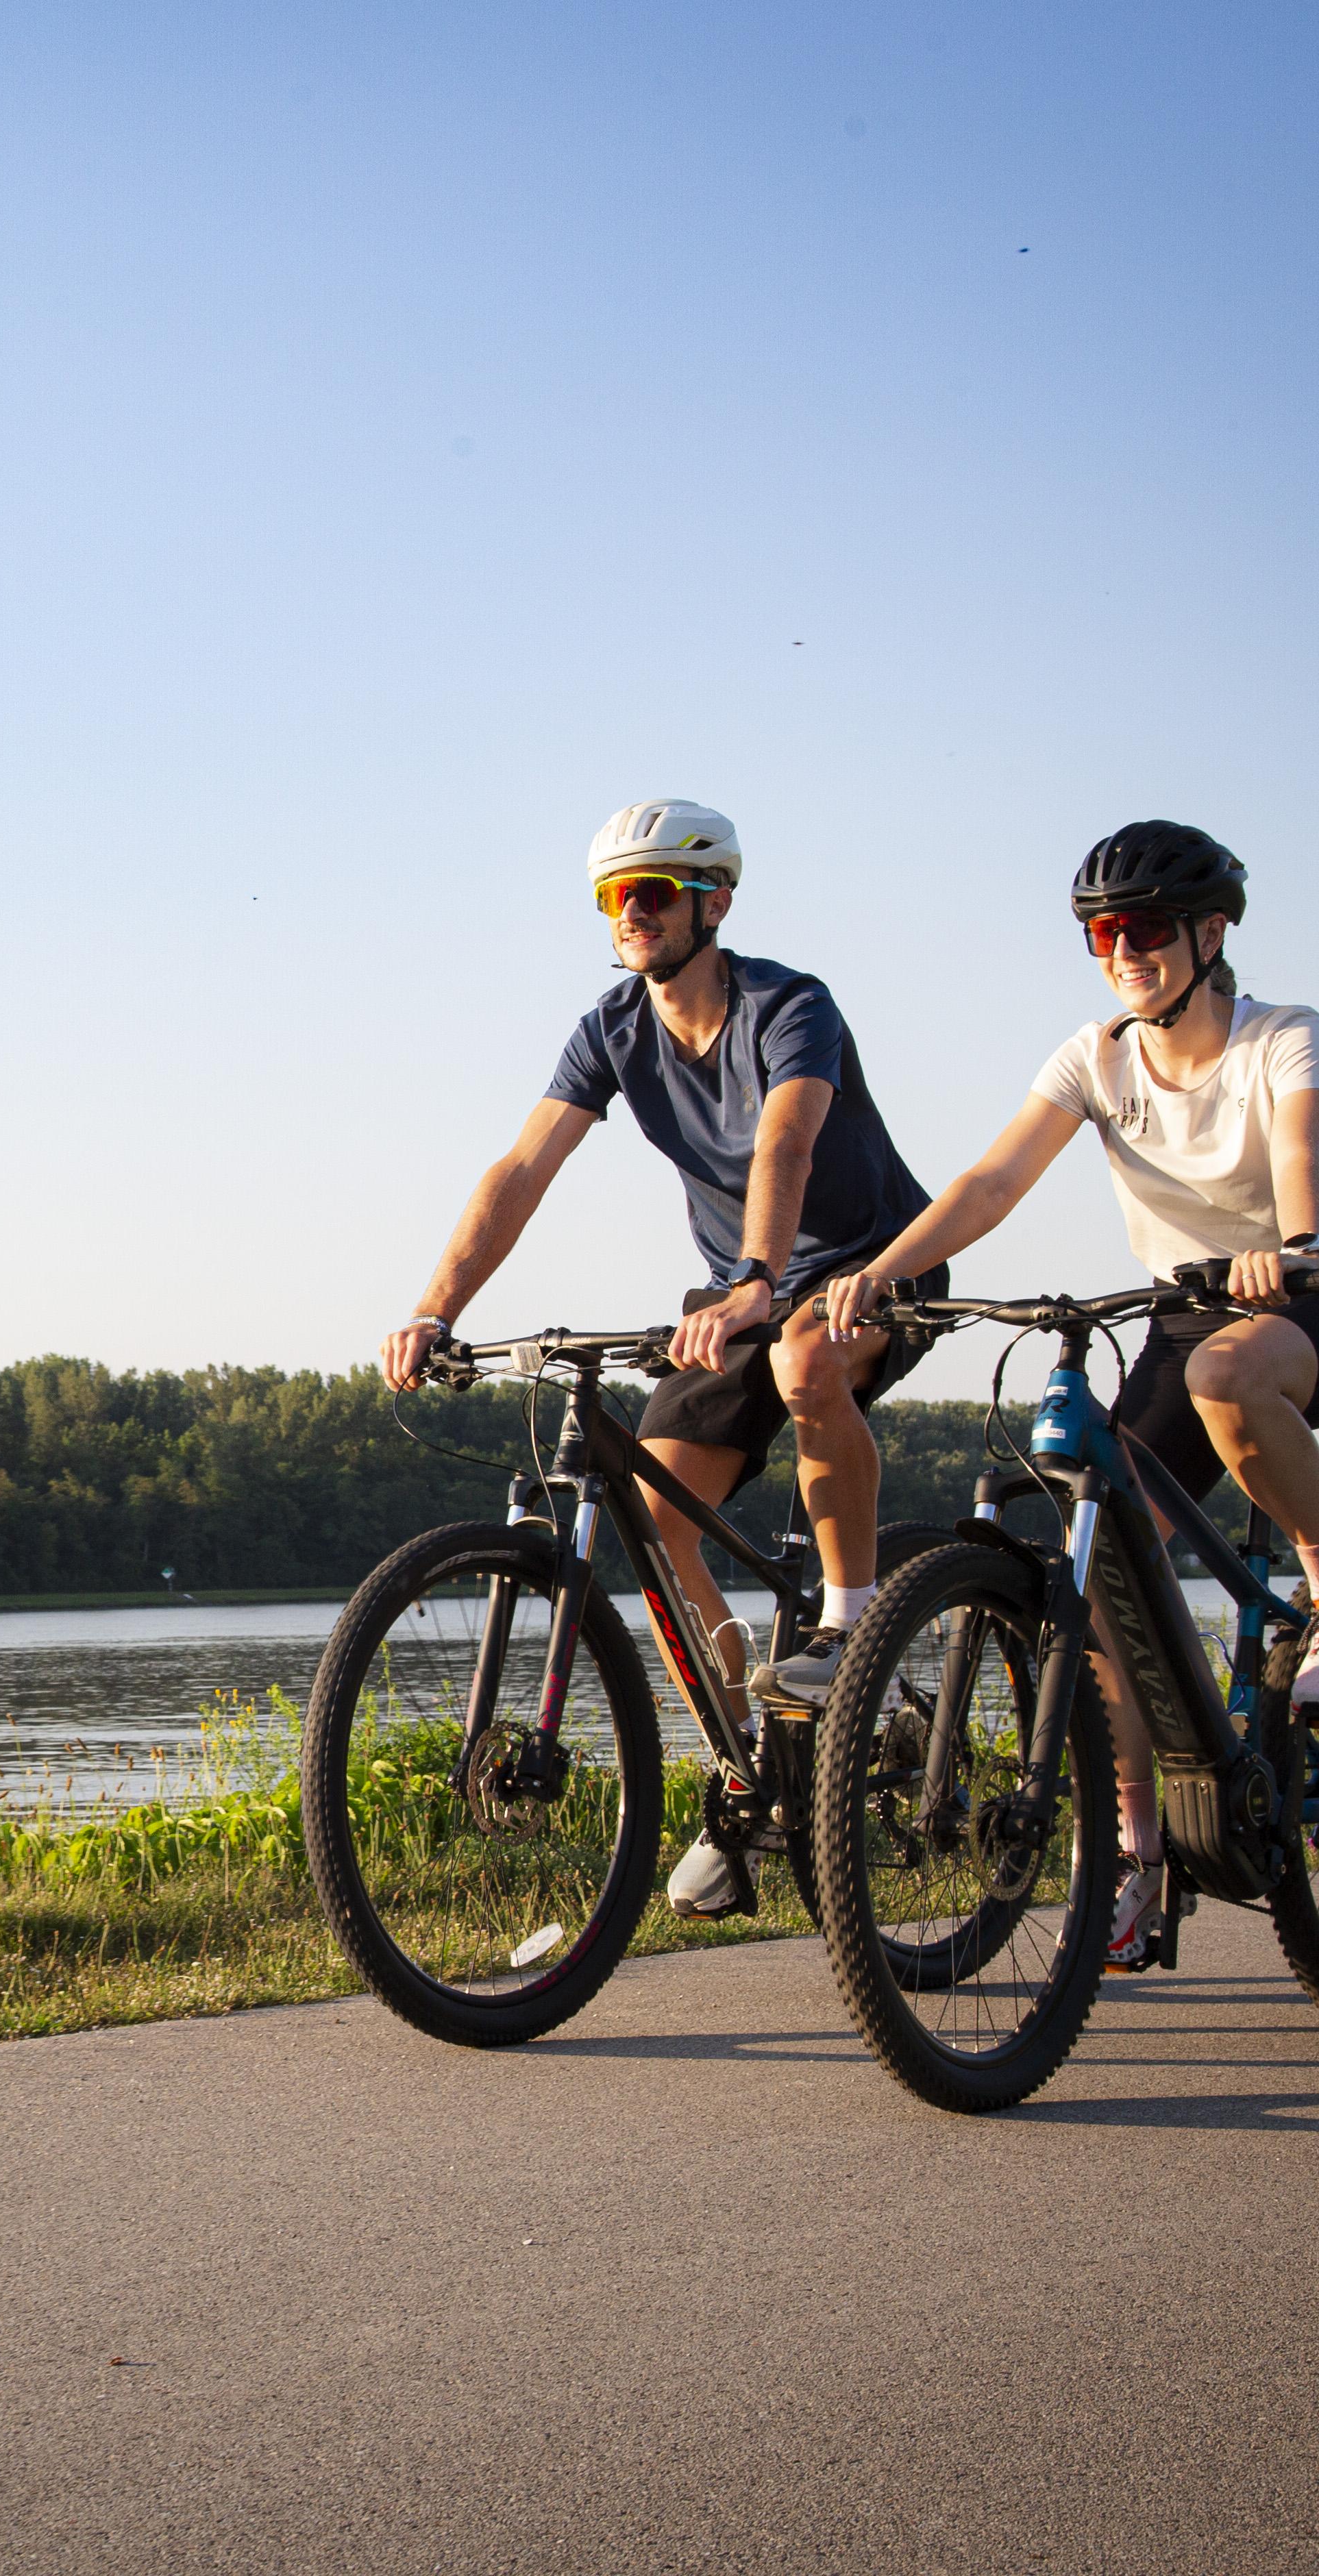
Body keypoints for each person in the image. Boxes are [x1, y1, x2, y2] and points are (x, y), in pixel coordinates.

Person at [817, 819, 1319, 1970]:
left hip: (1318, 1296)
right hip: (1181, 1314)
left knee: (1227, 1371)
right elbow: (994, 1178)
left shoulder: (1284, 1035)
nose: (1121, 951)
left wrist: (1288, 1245)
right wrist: (891, 1273)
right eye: (1101, 933)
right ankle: (1139, 1856)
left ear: (1210, 931)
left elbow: (1300, 1150)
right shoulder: (1095, 1056)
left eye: (1141, 929)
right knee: (1098, 1581)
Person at [382, 799, 945, 1920]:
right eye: (614, 896)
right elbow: (522, 1170)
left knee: (805, 1367)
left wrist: (756, 1281)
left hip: (870, 1266)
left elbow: (786, 1138)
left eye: (656, 892)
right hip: (742, 1291)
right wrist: (435, 1307)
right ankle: (753, 1767)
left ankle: (849, 1622)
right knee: (655, 1516)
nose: (633, 912)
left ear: (714, 904)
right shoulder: (611, 1028)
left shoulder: (790, 1005)